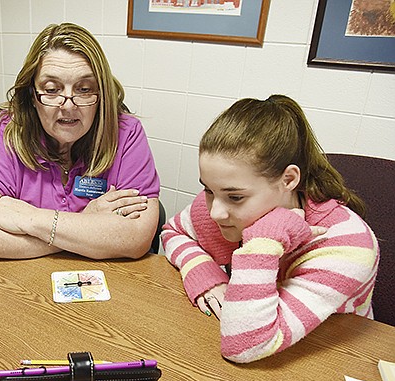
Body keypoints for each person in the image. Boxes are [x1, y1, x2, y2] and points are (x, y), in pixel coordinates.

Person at [161, 94, 379, 363]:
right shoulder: (222, 203)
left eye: (236, 197)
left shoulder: (347, 245)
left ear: (288, 179)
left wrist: (263, 243)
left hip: (330, 363)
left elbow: (244, 346)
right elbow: (173, 231)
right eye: (208, 189)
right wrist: (204, 273)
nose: (216, 212)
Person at [0, 23, 160, 260]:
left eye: (84, 89)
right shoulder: (5, 132)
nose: (68, 105)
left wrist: (30, 219)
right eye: (52, 89)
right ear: (32, 96)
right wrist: (89, 225)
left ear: (102, 95)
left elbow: (136, 238)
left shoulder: (127, 134)